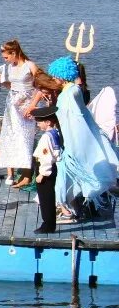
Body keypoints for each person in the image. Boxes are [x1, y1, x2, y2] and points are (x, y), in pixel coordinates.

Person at [46, 56, 119, 217]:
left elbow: (76, 118)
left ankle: (70, 209)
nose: (53, 78)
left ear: (61, 75)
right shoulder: (71, 90)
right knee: (73, 177)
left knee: (71, 175)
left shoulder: (70, 93)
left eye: (54, 75)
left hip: (73, 140)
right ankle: (77, 208)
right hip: (71, 136)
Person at [0, 39, 40, 188]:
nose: (5, 60)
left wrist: (33, 105)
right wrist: (0, 80)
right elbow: (11, 85)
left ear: (14, 53)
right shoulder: (9, 67)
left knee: (25, 138)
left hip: (26, 104)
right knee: (10, 136)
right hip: (12, 103)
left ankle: (27, 174)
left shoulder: (29, 65)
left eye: (6, 57)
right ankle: (13, 172)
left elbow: (41, 86)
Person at [31, 106, 63, 234]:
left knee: (46, 198)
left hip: (45, 170)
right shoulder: (55, 133)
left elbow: (46, 157)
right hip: (52, 168)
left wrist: (42, 174)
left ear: (48, 122)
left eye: (39, 122)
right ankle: (49, 223)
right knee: (48, 197)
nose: (38, 124)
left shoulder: (46, 137)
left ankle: (48, 224)